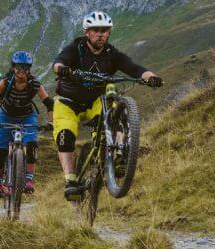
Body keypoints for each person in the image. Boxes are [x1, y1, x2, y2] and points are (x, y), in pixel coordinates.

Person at [52, 11, 163, 200]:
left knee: (113, 117)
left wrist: (151, 77)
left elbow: (134, 68)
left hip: (94, 101)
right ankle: (70, 180)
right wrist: (62, 69)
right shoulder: (75, 48)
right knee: (65, 136)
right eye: (96, 30)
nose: (101, 34)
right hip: (67, 102)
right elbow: (58, 63)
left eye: (105, 30)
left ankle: (118, 155)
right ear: (87, 32)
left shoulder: (111, 54)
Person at [0, 51, 53, 197]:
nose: (22, 71)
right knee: (1, 150)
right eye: (18, 67)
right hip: (6, 115)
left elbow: (49, 103)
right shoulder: (6, 81)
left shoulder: (34, 83)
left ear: (29, 68)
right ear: (13, 67)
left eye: (25, 68)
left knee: (31, 144)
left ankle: (29, 180)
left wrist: (51, 121)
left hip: (27, 116)